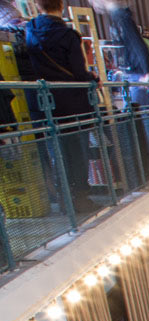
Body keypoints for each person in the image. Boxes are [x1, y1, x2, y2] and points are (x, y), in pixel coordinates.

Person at [25, 0, 99, 214]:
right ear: (62, 5)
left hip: (45, 104)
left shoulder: (30, 31)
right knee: (78, 150)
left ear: (39, 6)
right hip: (72, 103)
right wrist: (90, 77)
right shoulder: (68, 36)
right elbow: (77, 72)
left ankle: (65, 200)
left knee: (57, 152)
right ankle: (81, 198)